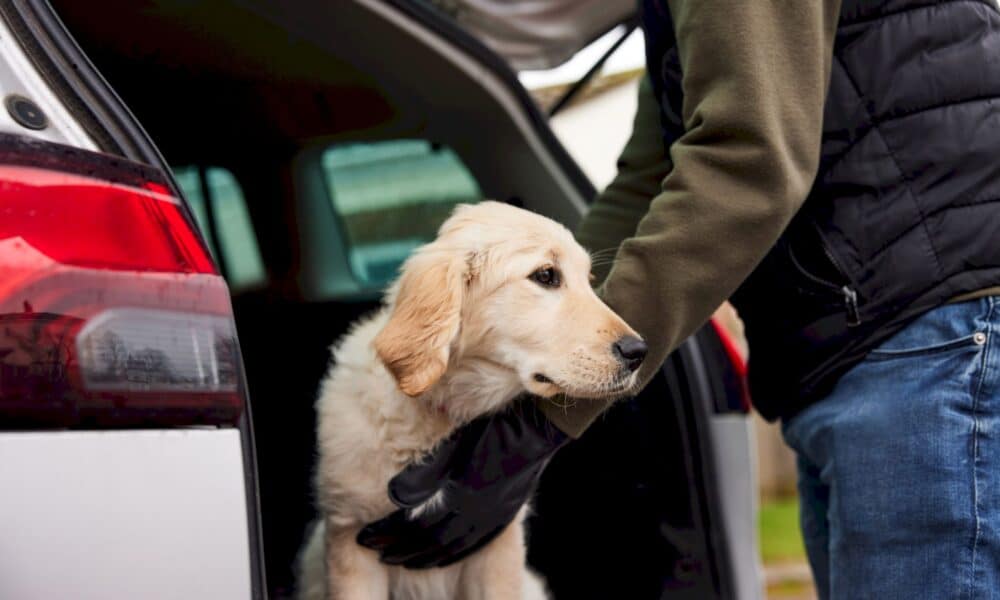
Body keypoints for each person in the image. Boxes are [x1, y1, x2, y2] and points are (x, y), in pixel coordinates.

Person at [358, 0, 1000, 597]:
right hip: (859, 343)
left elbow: (751, 158)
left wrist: (537, 426)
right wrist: (535, 344)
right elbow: (652, 177)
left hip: (926, 337)